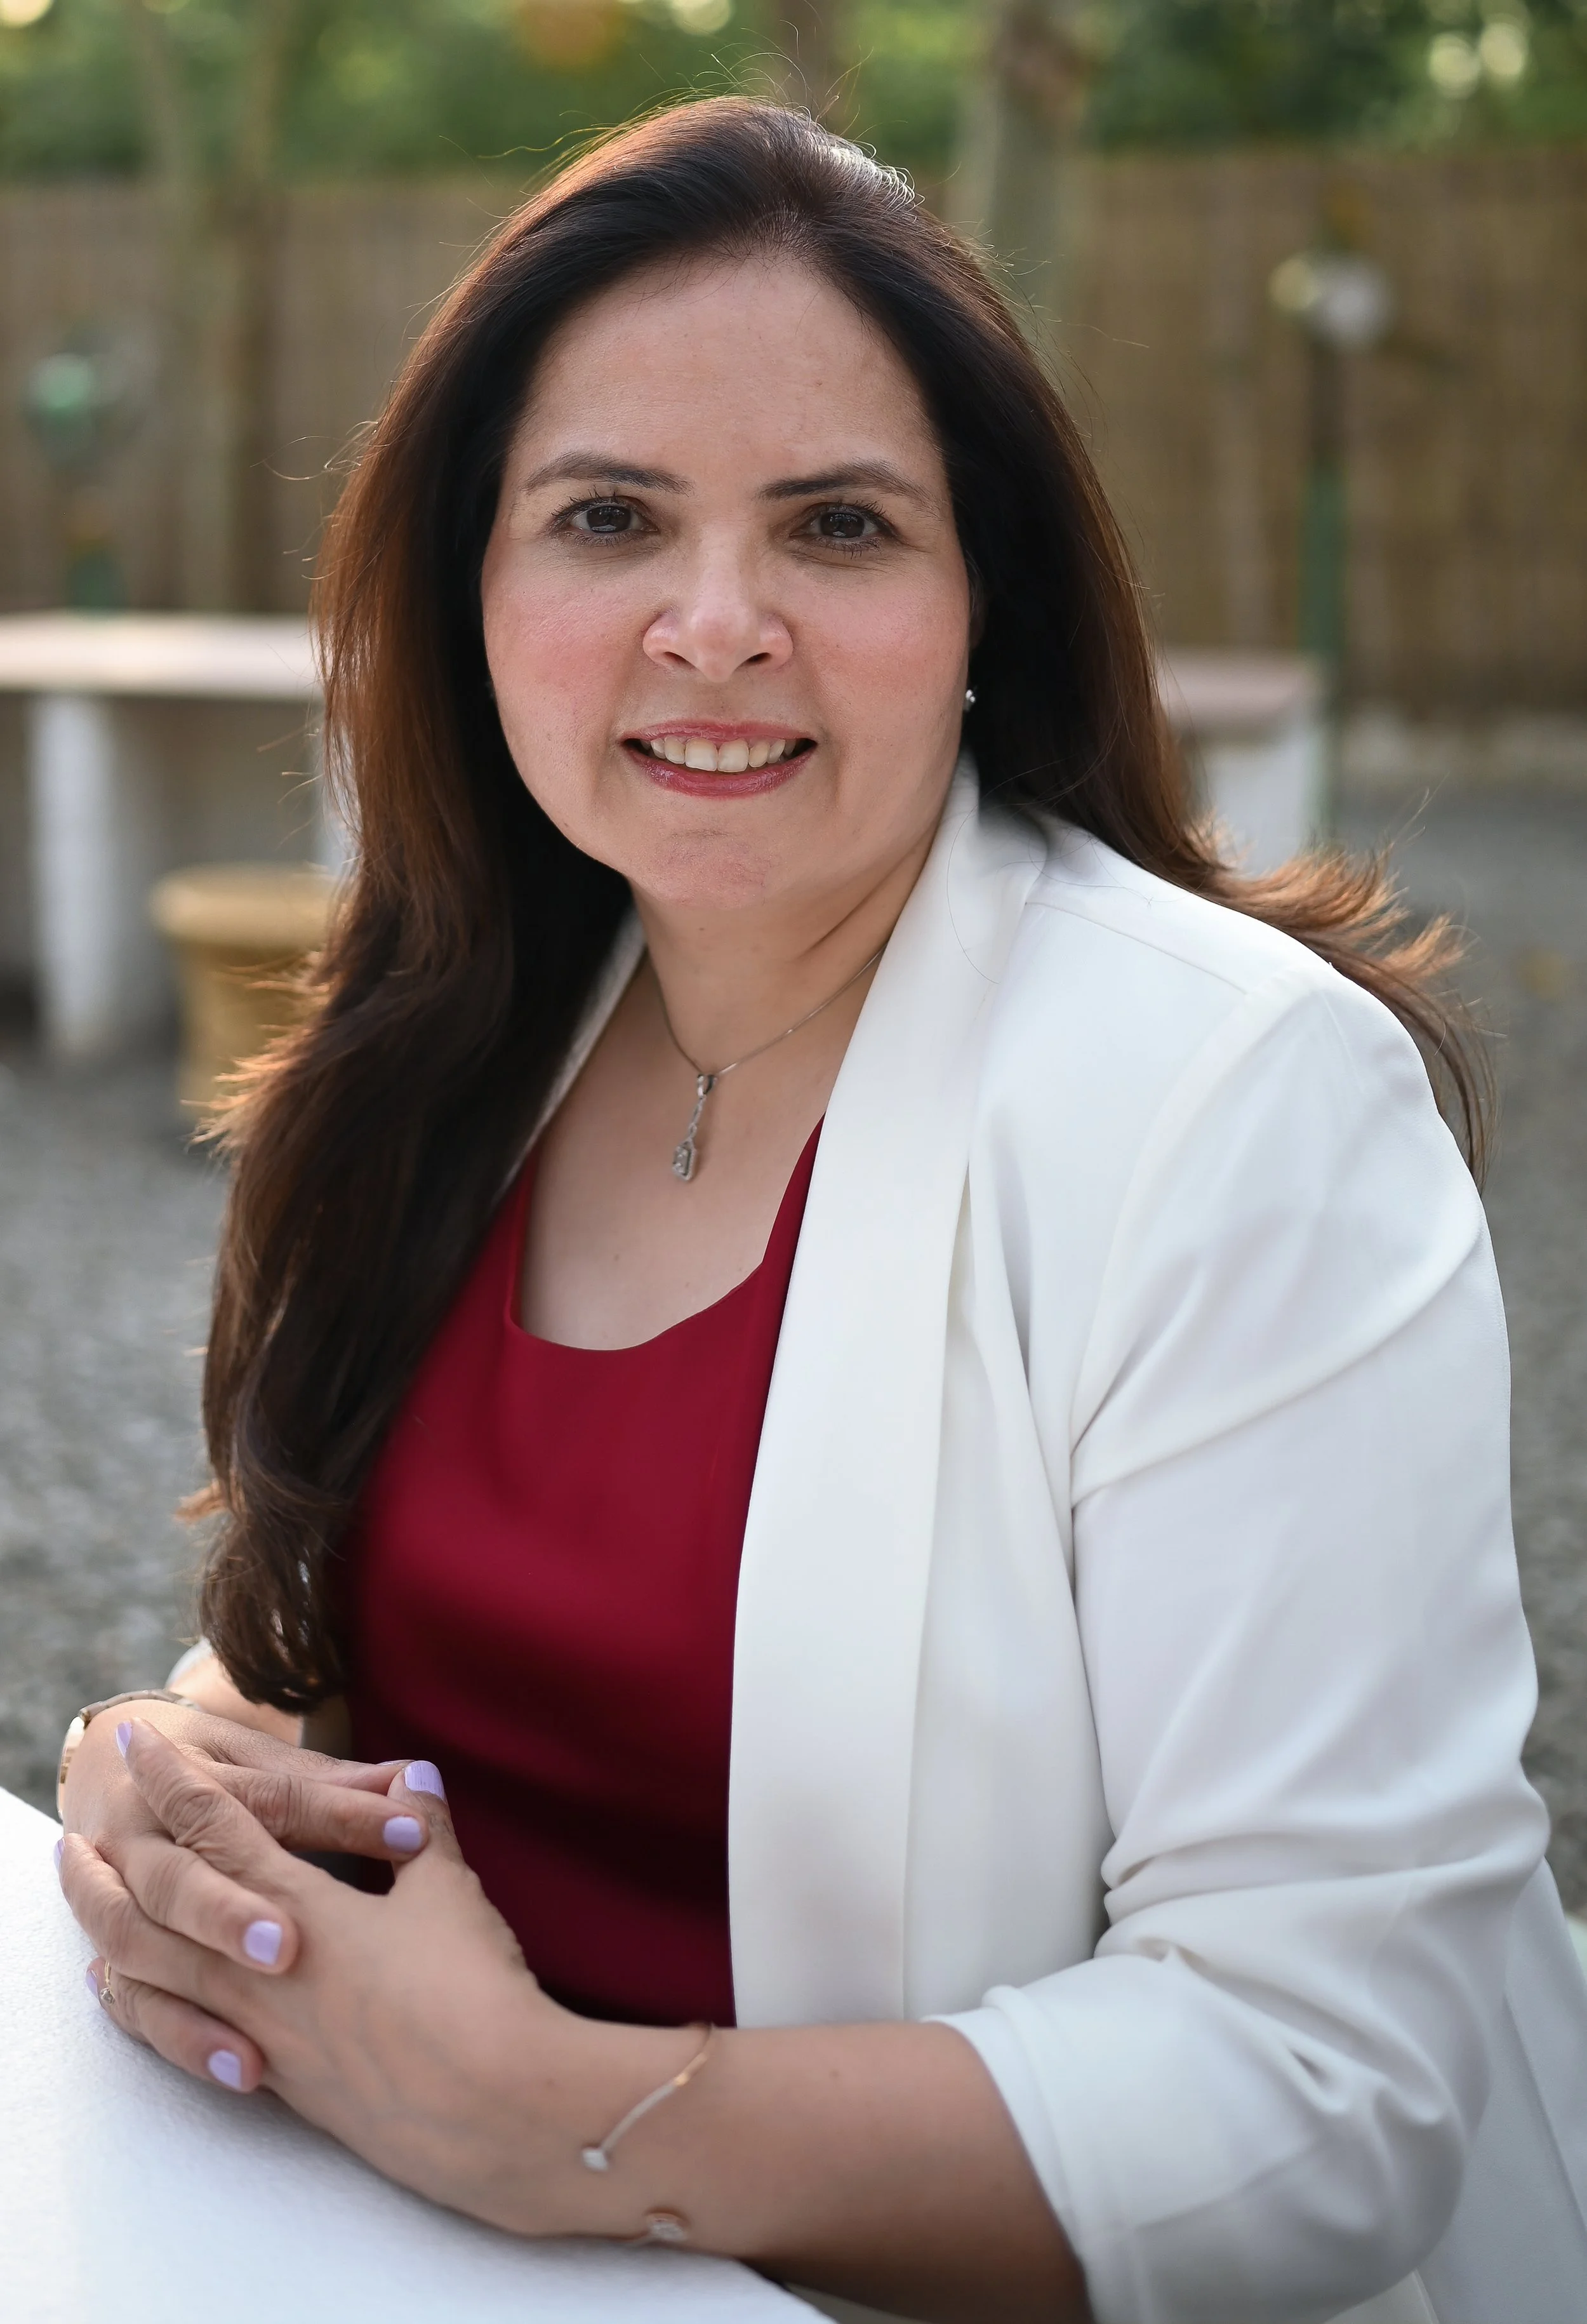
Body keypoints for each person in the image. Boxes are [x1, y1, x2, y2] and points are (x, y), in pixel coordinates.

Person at [54, 100, 1587, 2324]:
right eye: (606, 518)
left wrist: (556, 2122)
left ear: (982, 601)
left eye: (837, 526)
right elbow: (360, 1671)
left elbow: (1323, 2082)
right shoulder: (474, 1024)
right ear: (472, 592)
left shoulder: (1237, 1100)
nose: (713, 626)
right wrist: (174, 1777)